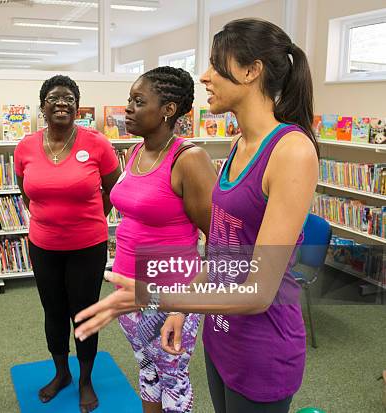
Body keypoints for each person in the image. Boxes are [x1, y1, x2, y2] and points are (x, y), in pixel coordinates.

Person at [74, 18, 319, 413]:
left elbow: (259, 292)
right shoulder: (240, 146)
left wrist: (149, 296)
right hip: (221, 335)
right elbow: (221, 253)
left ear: (250, 70)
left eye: (215, 65)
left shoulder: (292, 151)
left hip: (263, 347)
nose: (204, 77)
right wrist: (182, 308)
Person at [111, 66, 215, 412]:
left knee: (173, 376)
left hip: (171, 292)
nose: (128, 109)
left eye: (138, 101)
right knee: (148, 370)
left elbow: (219, 241)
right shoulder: (136, 152)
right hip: (129, 286)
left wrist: (185, 309)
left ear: (168, 109)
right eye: (129, 100)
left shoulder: (190, 159)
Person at [14, 75, 121, 413]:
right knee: (54, 311)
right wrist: (50, 220)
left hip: (87, 246)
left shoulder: (98, 143)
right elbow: (25, 190)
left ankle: (85, 378)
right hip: (43, 246)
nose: (62, 104)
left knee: (85, 313)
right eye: (54, 98)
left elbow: (111, 189)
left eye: (69, 99)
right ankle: (61, 373)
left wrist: (87, 221)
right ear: (43, 105)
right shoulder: (26, 147)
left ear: (77, 107)